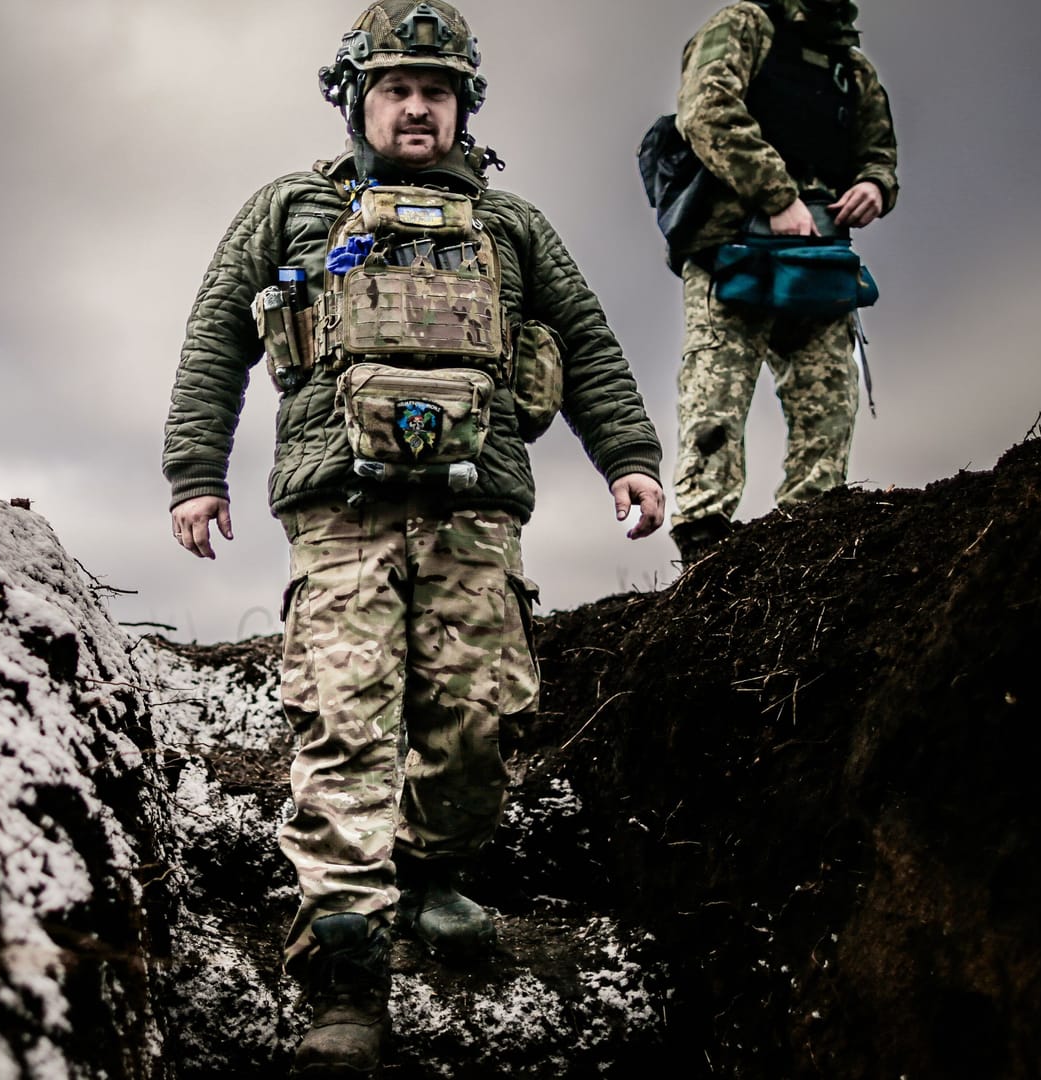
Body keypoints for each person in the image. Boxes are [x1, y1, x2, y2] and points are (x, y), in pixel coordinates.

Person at [161, 2, 666, 1073]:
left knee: (480, 714)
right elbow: (214, 338)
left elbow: (588, 340)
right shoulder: (290, 208)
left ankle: (432, 871)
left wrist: (630, 457)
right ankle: (345, 969)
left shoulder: (516, 226)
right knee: (345, 723)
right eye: (395, 88)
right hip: (338, 512)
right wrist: (194, 474)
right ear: (358, 100)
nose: (417, 106)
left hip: (477, 508)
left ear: (463, 105)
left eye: (436, 90)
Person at [664, 0, 899, 563]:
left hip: (818, 258)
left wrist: (876, 185)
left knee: (829, 402)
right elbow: (706, 110)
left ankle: (810, 540)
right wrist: (777, 194)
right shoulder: (744, 24)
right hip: (733, 249)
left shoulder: (849, 64)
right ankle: (704, 546)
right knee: (715, 396)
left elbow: (879, 150)